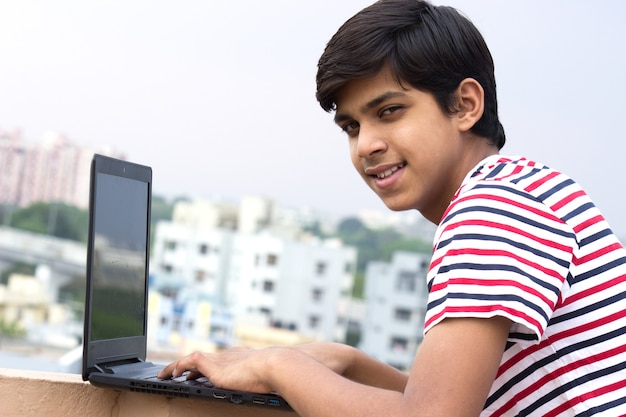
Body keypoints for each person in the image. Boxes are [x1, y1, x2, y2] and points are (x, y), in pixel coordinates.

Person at [158, 0, 626, 415]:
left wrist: (276, 365)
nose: (366, 145)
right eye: (351, 126)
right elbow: (460, 400)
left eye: (389, 112)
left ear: (465, 105)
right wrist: (347, 361)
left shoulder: (492, 209)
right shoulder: (524, 188)